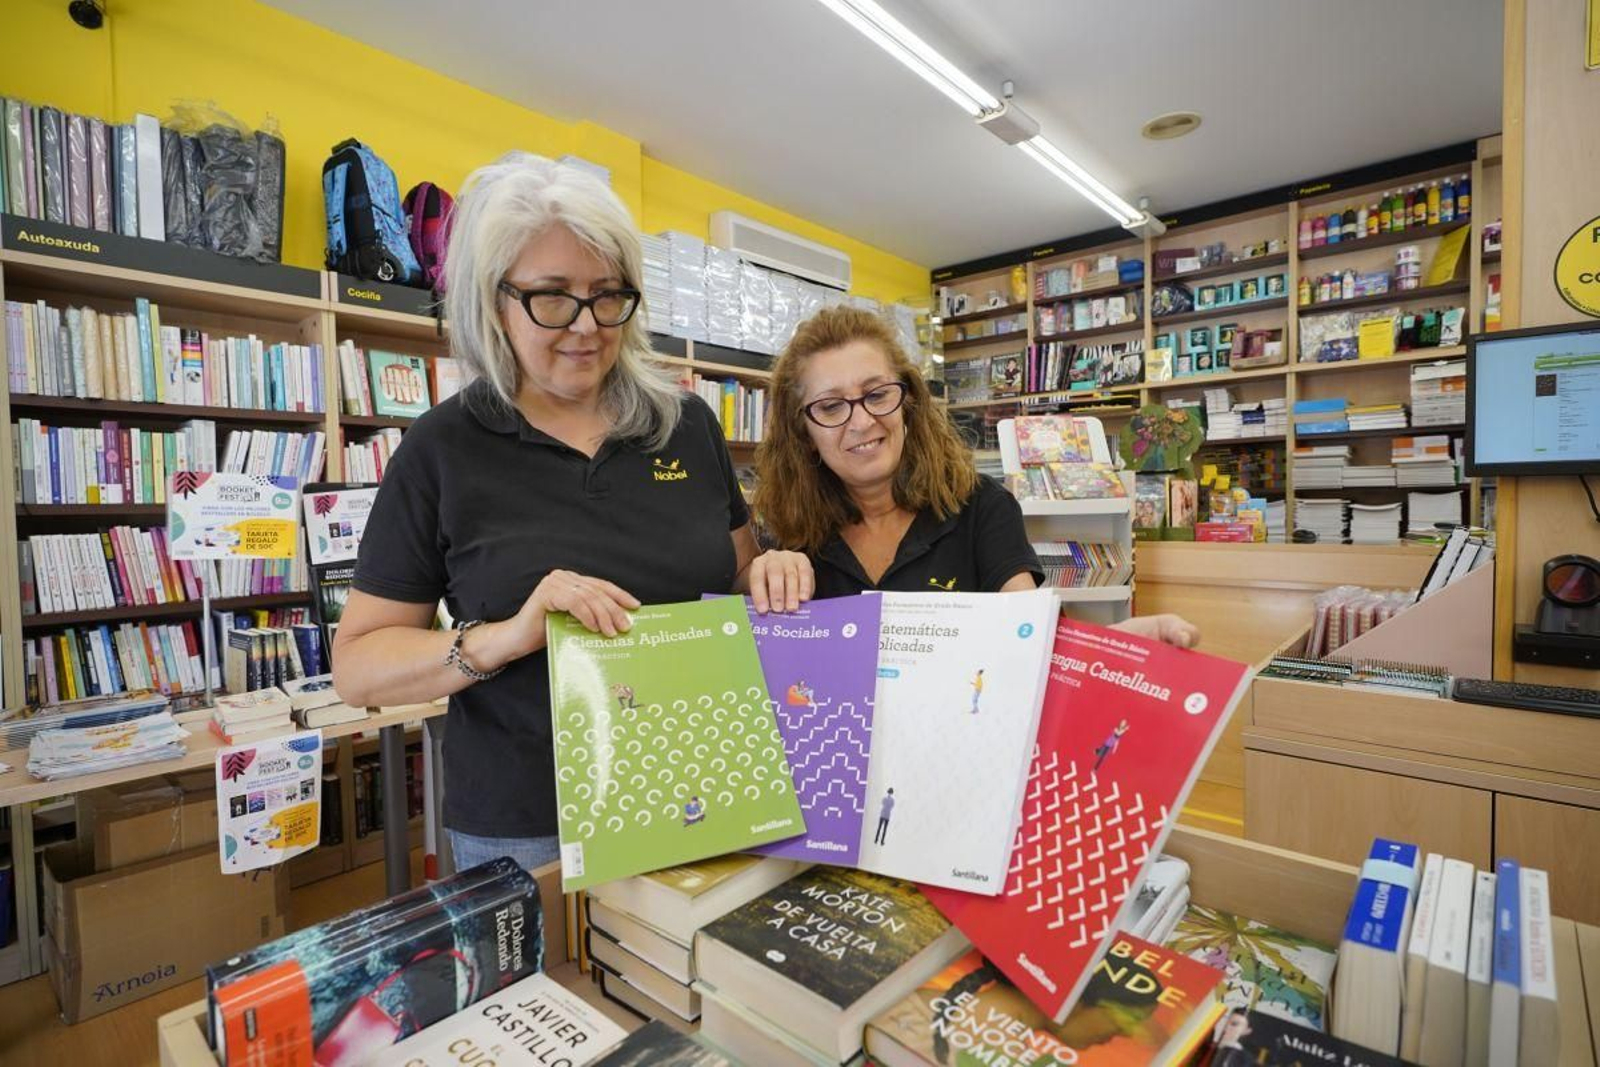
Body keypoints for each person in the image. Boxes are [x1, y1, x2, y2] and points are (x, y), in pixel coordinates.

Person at [331, 153, 809, 873]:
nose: (586, 325)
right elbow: (359, 666)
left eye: (607, 294)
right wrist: (506, 637)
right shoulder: (441, 449)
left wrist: (770, 572)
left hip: (703, 789)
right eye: (552, 297)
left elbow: (738, 576)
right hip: (529, 828)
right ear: (496, 300)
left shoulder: (687, 425)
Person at [753, 306, 1198, 649]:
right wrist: (766, 578)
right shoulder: (791, 535)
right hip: (841, 759)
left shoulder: (979, 507)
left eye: (876, 394)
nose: (862, 420)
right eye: (831, 406)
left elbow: (1032, 635)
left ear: (907, 401)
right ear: (804, 433)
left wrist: (1116, 647)